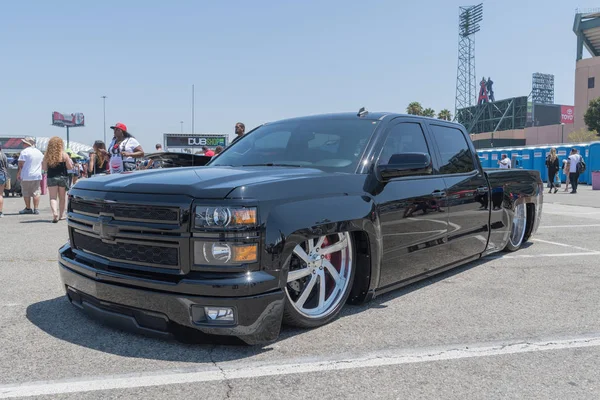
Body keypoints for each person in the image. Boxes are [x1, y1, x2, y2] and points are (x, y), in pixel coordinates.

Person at [42, 136, 73, 223]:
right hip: (63, 177)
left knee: (53, 197)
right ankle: (61, 215)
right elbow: (70, 167)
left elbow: (44, 169)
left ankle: (55, 213)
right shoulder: (64, 154)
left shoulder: (47, 155)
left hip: (51, 177)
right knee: (62, 198)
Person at [16, 137, 44, 215]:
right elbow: (42, 163)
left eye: (23, 143)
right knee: (36, 192)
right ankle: (36, 209)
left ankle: (28, 208)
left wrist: (18, 173)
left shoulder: (24, 152)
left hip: (26, 175)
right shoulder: (39, 152)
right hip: (37, 175)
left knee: (26, 192)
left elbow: (21, 164)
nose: (22, 144)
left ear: (26, 144)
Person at [0, 145, 8, 218]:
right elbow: (6, 166)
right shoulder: (3, 155)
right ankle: (0, 212)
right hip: (1, 175)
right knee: (0, 195)